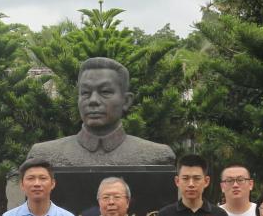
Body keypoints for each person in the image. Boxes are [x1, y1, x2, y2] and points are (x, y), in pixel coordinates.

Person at [27, 56, 175, 167]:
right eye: (85, 92)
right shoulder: (43, 156)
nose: (93, 100)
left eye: (105, 92)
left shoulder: (157, 156)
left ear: (126, 101)